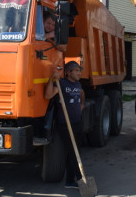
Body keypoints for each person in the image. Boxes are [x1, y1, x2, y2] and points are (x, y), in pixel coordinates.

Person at [45, 60, 85, 189]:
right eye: (76, 70)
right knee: (74, 152)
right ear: (68, 72)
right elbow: (48, 95)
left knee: (75, 151)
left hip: (77, 122)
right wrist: (52, 80)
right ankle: (80, 180)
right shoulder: (61, 83)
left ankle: (69, 181)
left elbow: (82, 94)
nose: (79, 73)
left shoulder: (78, 84)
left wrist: (81, 107)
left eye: (80, 70)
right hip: (65, 124)